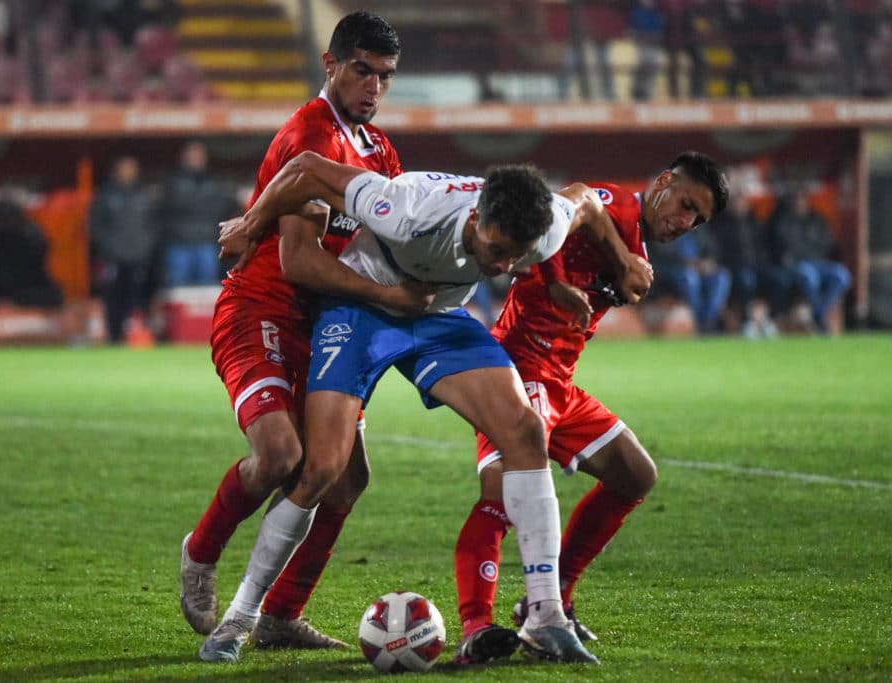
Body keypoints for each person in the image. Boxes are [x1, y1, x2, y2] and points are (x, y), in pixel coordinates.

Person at [203, 150, 656, 665]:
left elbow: (586, 205)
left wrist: (621, 261)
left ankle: (546, 616)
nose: (505, 267)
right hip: (364, 307)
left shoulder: (544, 224)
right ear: (477, 218)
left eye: (517, 256)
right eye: (499, 250)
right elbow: (307, 167)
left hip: (438, 314)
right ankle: (239, 618)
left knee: (525, 432)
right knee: (323, 467)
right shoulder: (407, 208)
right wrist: (252, 221)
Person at [180, 11, 431, 658]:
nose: (373, 86)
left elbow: (377, 244)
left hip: (326, 326)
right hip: (261, 310)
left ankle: (282, 615)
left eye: (385, 76)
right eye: (361, 71)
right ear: (331, 64)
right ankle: (201, 551)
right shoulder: (310, 136)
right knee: (281, 457)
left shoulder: (380, 150)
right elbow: (298, 260)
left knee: (346, 479)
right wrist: (387, 295)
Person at [451, 153, 729, 665]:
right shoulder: (618, 207)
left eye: (698, 218)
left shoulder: (639, 246)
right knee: (500, 496)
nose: (686, 221)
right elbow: (567, 201)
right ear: (663, 181)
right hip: (517, 367)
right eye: (686, 204)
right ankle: (477, 627)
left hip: (558, 383)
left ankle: (555, 595)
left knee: (635, 475)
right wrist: (557, 280)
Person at [89, 155, 160, 344]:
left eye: (131, 168)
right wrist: (108, 249)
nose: (127, 172)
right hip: (114, 258)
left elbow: (154, 225)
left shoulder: (145, 196)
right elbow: (96, 226)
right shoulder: (106, 195)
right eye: (124, 168)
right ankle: (114, 337)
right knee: (113, 298)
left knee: (139, 298)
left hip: (139, 256)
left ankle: (137, 336)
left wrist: (146, 246)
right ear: (117, 171)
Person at [766, 191, 852, 334]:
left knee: (842, 275)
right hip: (798, 264)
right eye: (797, 200)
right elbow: (782, 247)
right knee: (809, 276)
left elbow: (827, 242)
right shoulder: (784, 222)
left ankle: (818, 311)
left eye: (802, 200)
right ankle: (818, 315)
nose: (800, 203)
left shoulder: (817, 220)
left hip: (819, 262)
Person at [160, 140, 238, 287]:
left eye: (199, 156)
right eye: (192, 156)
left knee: (206, 290)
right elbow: (174, 204)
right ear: (184, 158)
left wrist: (193, 203)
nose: (196, 160)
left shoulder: (214, 181)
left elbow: (222, 206)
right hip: (180, 243)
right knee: (179, 290)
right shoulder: (173, 181)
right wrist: (204, 203)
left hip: (206, 243)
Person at [709, 191, 777, 338]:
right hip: (734, 265)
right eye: (737, 201)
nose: (741, 205)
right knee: (747, 280)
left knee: (776, 278)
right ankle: (748, 321)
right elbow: (719, 251)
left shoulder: (754, 222)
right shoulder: (722, 224)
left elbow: (763, 246)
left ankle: (769, 320)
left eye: (743, 201)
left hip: (756, 264)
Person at [648, 222, 731, 334]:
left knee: (722, 277)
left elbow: (710, 246)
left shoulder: (696, 222)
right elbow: (661, 254)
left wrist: (709, 261)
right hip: (674, 270)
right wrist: (688, 263)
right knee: (690, 278)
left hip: (700, 269)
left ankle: (709, 322)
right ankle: (698, 322)